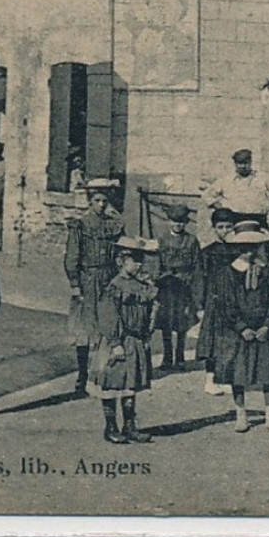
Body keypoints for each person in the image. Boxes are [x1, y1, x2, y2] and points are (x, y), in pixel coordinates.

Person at [213, 220, 269, 434]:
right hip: (241, 332)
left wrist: (267, 326)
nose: (249, 252)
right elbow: (227, 303)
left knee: (267, 374)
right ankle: (241, 414)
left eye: (253, 247)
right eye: (244, 247)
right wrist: (241, 327)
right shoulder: (229, 272)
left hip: (262, 330)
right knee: (239, 373)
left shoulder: (267, 271)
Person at [95, 237, 161, 445]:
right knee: (112, 384)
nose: (139, 264)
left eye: (141, 260)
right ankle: (111, 426)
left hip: (136, 341)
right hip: (118, 342)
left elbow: (151, 310)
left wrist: (147, 332)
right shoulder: (114, 286)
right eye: (134, 260)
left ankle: (130, 426)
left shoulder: (143, 286)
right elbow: (108, 315)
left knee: (130, 385)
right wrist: (115, 344)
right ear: (121, 261)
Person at [64, 179, 124, 396]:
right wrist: (75, 284)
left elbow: (120, 249)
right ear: (90, 202)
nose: (101, 205)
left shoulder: (112, 224)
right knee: (85, 329)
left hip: (108, 277)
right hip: (88, 279)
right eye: (97, 201)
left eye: (104, 201)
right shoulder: (80, 225)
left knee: (107, 325)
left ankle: (100, 373)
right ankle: (82, 375)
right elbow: (72, 257)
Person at [151, 203, 200, 371]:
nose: (178, 225)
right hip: (166, 285)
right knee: (166, 323)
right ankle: (167, 358)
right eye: (175, 221)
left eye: (182, 222)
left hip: (184, 285)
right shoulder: (162, 239)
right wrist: (156, 280)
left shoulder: (192, 240)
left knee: (182, 323)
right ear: (168, 221)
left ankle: (180, 358)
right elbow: (157, 263)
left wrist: (194, 287)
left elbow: (197, 265)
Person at [204, 148, 269, 230]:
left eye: (246, 163)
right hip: (235, 218)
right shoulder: (226, 180)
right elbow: (208, 195)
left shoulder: (263, 177)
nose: (243, 166)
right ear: (235, 164)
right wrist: (221, 209)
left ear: (250, 162)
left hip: (259, 218)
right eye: (240, 163)